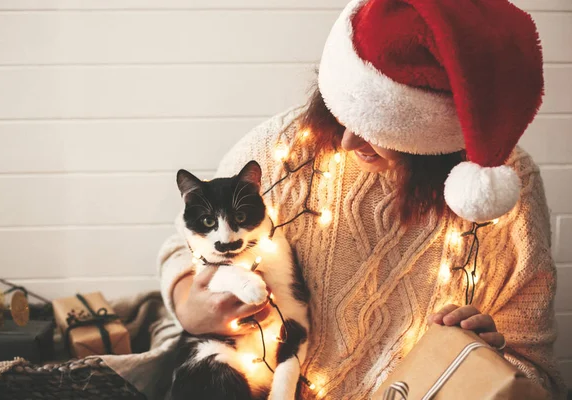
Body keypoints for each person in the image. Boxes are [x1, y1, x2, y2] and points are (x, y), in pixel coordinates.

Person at [158, 0, 566, 398]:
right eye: (342, 113)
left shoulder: (504, 191)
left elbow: (535, 372)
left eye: (379, 126)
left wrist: (484, 358)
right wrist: (188, 306)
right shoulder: (283, 146)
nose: (348, 139)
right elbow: (183, 243)